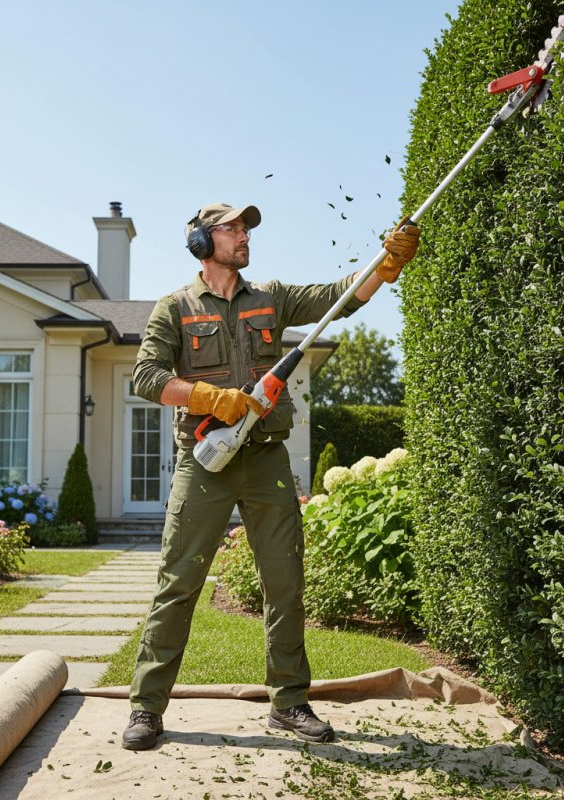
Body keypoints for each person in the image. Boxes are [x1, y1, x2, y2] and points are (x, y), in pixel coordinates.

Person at [123, 202, 419, 751]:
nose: (243, 237)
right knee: (178, 583)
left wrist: (386, 263)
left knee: (284, 584)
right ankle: (146, 707)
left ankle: (288, 703)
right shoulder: (175, 307)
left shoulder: (271, 298)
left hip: (265, 461)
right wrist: (210, 396)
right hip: (203, 462)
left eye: (245, 229)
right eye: (232, 229)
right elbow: (146, 377)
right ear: (201, 242)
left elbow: (340, 296)